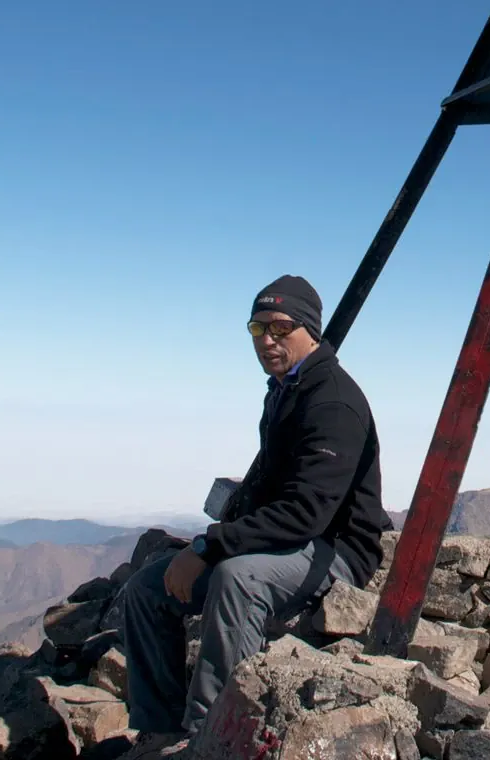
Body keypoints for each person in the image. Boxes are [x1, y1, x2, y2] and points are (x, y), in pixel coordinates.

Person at [119, 274, 392, 749]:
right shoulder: (285, 387)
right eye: (257, 328)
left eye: (281, 327)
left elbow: (306, 513)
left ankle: (212, 736)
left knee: (239, 579)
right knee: (146, 588)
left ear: (310, 329)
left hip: (336, 549)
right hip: (291, 540)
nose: (268, 339)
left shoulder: (333, 401)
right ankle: (158, 727)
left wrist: (211, 545)